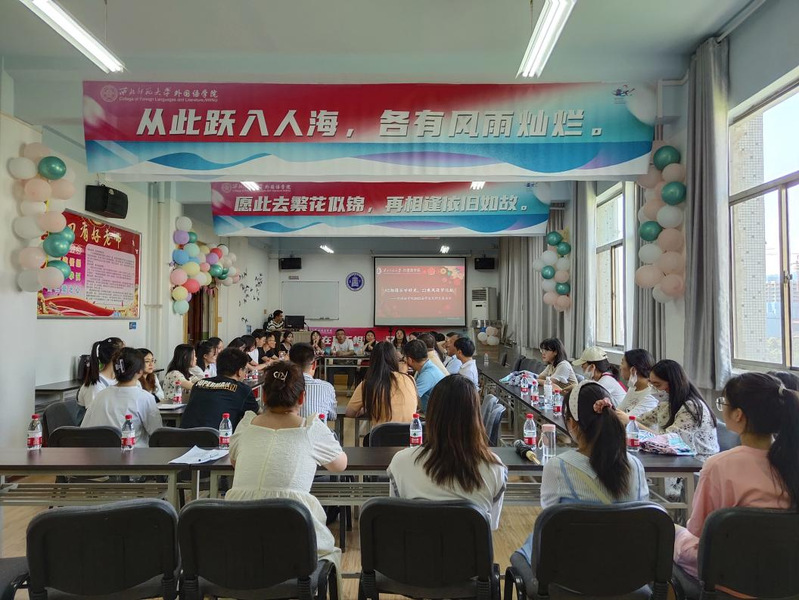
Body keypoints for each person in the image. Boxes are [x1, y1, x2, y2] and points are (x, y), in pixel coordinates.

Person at [227, 361, 347, 586]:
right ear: (302, 398)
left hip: (239, 539)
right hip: (293, 541)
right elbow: (340, 465)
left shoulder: (246, 425)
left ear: (263, 396)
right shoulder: (310, 429)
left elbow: (234, 461)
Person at [674, 372, 799, 581]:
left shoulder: (718, 466)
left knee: (671, 532)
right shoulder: (792, 461)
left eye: (724, 403)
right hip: (787, 578)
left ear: (738, 414)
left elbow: (698, 531)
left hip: (730, 577)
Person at [517, 380, 649, 563]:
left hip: (571, 570)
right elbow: (643, 516)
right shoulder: (635, 465)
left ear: (572, 423)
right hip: (627, 568)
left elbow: (549, 519)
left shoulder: (558, 467)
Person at [387, 375, 508, 530]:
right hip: (468, 546)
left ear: (431, 414)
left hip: (415, 545)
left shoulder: (401, 463)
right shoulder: (495, 469)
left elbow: (396, 520)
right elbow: (489, 527)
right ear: (476, 418)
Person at [631, 359, 719, 457]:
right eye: (652, 384)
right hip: (678, 458)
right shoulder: (666, 404)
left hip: (698, 461)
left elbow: (670, 440)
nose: (654, 390)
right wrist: (627, 420)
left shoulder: (691, 407)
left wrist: (632, 422)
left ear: (673, 383)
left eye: (657, 385)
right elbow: (643, 420)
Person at [82, 348, 162, 447]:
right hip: (134, 454)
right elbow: (157, 434)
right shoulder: (145, 398)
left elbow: (84, 430)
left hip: (100, 454)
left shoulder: (100, 395)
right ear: (140, 372)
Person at [181, 348, 260, 431]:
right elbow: (260, 415)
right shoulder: (242, 389)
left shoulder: (199, 384)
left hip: (182, 436)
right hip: (216, 437)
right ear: (239, 372)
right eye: (245, 370)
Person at [346, 342, 418, 427]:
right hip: (410, 433)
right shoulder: (410, 379)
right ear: (395, 359)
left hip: (382, 434)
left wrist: (367, 408)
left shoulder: (368, 384)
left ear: (372, 361)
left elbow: (349, 413)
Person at [289, 343, 337, 421]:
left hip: (287, 428)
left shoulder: (281, 386)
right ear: (314, 364)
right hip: (317, 428)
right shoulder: (327, 387)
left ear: (289, 364)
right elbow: (332, 416)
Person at [78, 337, 125, 412]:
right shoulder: (95, 385)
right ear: (115, 356)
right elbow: (94, 414)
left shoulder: (118, 379)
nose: (127, 356)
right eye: (124, 352)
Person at [404, 340, 445, 413]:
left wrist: (401, 374)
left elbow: (409, 398)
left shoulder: (428, 374)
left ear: (409, 360)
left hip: (434, 415)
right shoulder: (425, 367)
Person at [617, 349, 659, 418]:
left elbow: (629, 419)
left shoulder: (651, 395)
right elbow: (619, 410)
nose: (620, 367)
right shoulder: (633, 388)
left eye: (622, 363)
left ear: (633, 370)